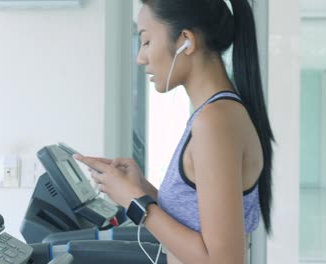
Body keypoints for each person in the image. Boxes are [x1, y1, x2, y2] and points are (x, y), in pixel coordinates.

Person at [74, 0, 274, 263]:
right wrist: (141, 189)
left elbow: (223, 260)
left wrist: (135, 201)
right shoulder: (213, 115)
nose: (140, 57)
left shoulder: (216, 121)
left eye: (146, 42)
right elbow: (198, 222)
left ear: (186, 42)